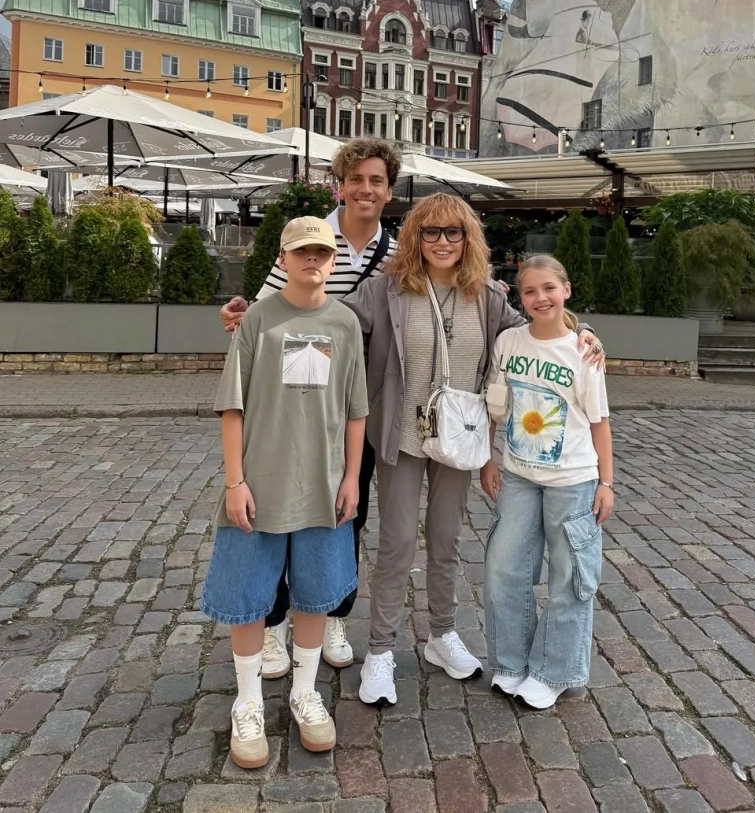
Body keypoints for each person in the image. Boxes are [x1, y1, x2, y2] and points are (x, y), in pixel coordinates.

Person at [342, 195, 604, 707]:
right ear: (415, 237)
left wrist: (585, 330)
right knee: (397, 542)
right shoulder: (386, 289)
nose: (442, 242)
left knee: (445, 540)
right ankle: (380, 650)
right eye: (431, 232)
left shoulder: (484, 295)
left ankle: (441, 634)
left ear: (468, 238)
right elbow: (332, 321)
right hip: (401, 435)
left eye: (453, 232)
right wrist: (257, 316)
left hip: (460, 438)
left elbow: (539, 326)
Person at [219, 138, 402, 676]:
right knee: (275, 511)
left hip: (356, 398)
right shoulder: (310, 236)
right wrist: (238, 314)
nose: (366, 189)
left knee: (346, 510)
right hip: (293, 398)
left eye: (376, 181)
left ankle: (332, 612)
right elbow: (264, 310)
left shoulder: (398, 253)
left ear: (389, 191)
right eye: (356, 179)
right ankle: (274, 623)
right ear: (340, 186)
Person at [201, 217, 368, 766]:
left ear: (333, 260)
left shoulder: (345, 323)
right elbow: (232, 406)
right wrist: (235, 481)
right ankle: (248, 702)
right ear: (284, 259)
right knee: (249, 596)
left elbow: (356, 410)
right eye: (301, 252)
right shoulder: (258, 319)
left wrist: (351, 477)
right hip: (261, 482)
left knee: (315, 593)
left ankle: (304, 692)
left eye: (321, 252)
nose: (312, 260)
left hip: (323, 484)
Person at [481, 254, 614, 709]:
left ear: (566, 290)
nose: (540, 298)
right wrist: (488, 458)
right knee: (504, 568)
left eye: (549, 288)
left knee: (570, 576)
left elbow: (599, 422)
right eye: (530, 291)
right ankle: (511, 661)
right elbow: (496, 405)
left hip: (573, 480)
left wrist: (607, 483)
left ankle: (554, 671)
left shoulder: (583, 352)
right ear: (520, 298)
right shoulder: (509, 342)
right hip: (518, 475)